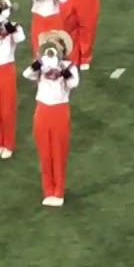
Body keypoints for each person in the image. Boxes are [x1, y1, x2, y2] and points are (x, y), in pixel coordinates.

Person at [23, 29, 77, 207]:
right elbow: (27, 74)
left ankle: (59, 191)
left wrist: (61, 67)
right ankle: (48, 190)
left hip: (60, 110)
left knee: (58, 152)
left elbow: (73, 83)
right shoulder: (42, 64)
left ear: (62, 47)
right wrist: (40, 63)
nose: (52, 46)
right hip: (42, 109)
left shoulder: (70, 66)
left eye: (56, 43)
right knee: (44, 152)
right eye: (50, 43)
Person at [0, 0, 26, 160]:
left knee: (7, 109)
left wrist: (6, 24)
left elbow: (20, 38)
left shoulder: (14, 28)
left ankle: (8, 143)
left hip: (6, 69)